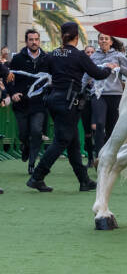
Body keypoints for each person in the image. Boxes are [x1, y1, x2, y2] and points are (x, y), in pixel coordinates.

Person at [27, 22, 117, 192]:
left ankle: (84, 181)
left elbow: (43, 69)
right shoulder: (78, 55)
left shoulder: (53, 54)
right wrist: (109, 68)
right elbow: (97, 74)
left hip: (53, 100)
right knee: (61, 140)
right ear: (77, 37)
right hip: (69, 103)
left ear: (62, 36)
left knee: (72, 141)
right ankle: (37, 176)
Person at [7, 29, 48, 175]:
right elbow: (8, 79)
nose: (34, 42)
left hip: (38, 104)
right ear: (26, 41)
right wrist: (12, 94)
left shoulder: (46, 58)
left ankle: (32, 163)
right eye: (31, 39)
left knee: (37, 131)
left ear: (39, 41)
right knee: (23, 134)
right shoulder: (18, 58)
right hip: (21, 104)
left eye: (36, 39)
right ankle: (26, 145)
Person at [88, 34, 127, 160]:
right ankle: (99, 156)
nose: (103, 41)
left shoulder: (118, 56)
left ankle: (109, 157)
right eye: (101, 39)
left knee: (111, 128)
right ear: (98, 41)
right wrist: (80, 88)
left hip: (115, 94)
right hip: (98, 94)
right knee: (100, 123)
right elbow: (87, 74)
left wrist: (118, 67)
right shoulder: (94, 56)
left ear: (111, 42)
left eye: (106, 39)